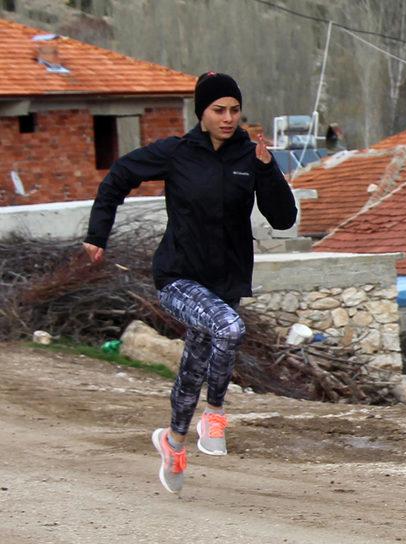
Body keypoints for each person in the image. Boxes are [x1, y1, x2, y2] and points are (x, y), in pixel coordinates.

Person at [83, 72, 297, 494]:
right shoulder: (177, 153)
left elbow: (284, 219)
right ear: (202, 112)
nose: (228, 118)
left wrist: (268, 171)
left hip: (225, 282)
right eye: (219, 110)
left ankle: (174, 442)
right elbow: (118, 177)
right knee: (229, 328)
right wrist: (97, 234)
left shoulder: (249, 158)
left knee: (194, 365)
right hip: (178, 276)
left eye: (235, 110)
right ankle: (214, 417)